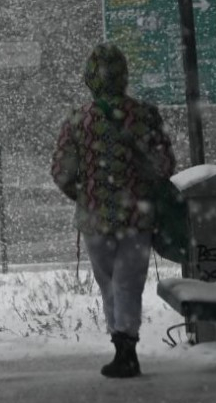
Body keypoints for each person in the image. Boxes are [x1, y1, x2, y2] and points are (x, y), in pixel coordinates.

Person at [50, 43, 175, 378]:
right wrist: (142, 186)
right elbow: (164, 164)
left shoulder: (78, 120)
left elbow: (61, 171)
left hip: (95, 217)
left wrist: (83, 193)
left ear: (90, 79)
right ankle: (127, 345)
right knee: (129, 281)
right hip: (137, 215)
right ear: (124, 75)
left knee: (109, 282)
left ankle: (121, 346)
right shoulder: (146, 115)